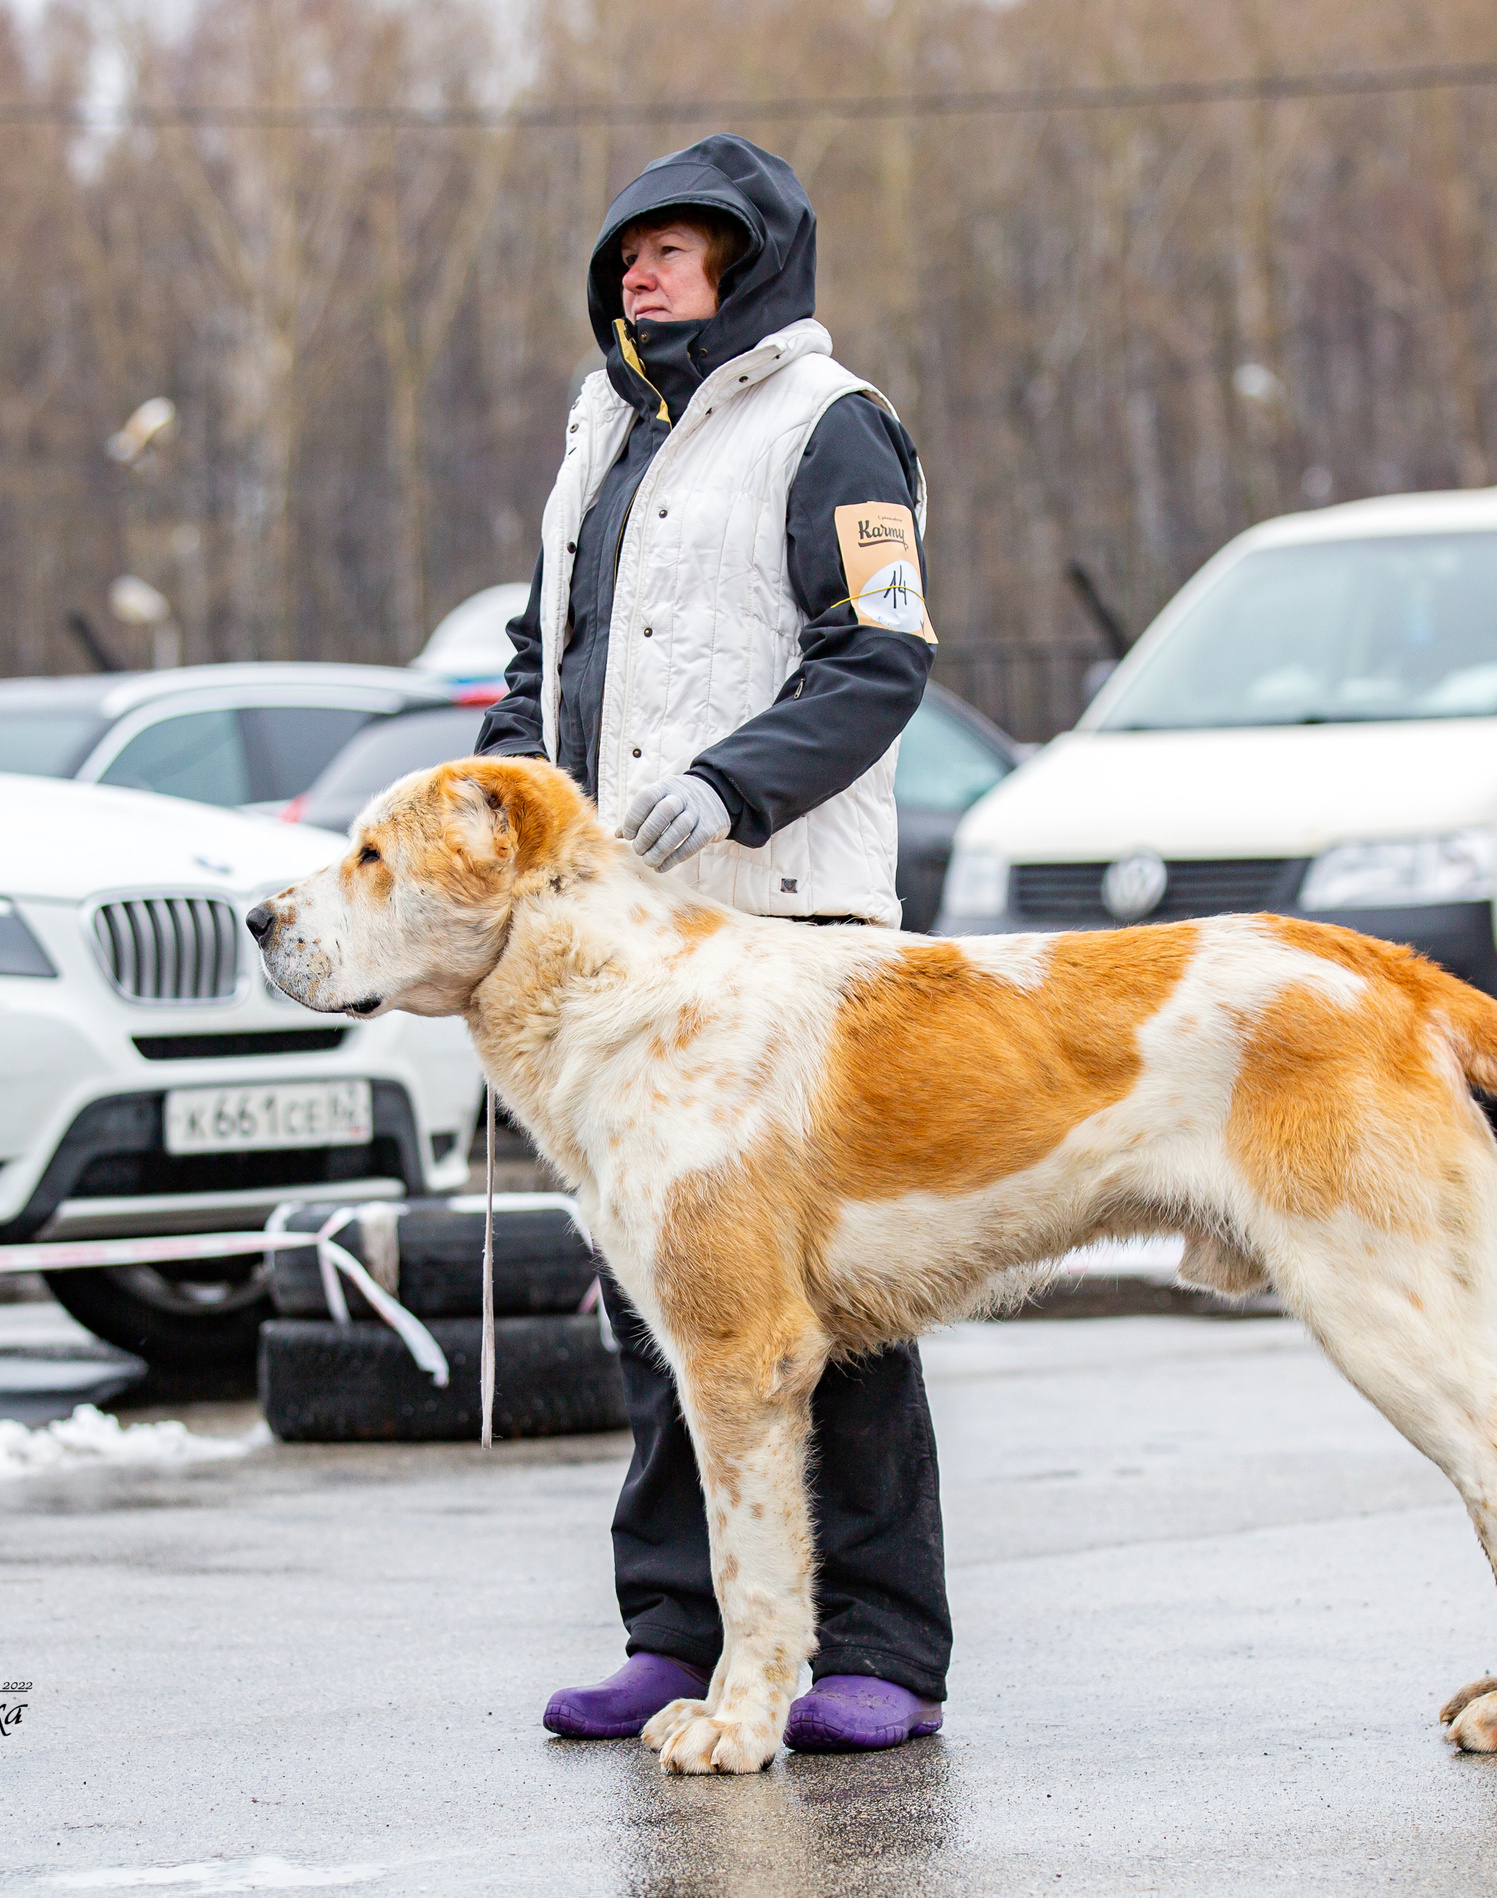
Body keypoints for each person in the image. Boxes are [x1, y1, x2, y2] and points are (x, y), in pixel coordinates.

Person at [473, 133, 950, 1754]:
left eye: (676, 248)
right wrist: (509, 775)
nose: (640, 271)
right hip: (623, 958)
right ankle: (675, 1632)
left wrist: (725, 788)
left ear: (753, 266)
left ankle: (882, 1650)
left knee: (842, 1307)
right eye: (626, 251)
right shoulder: (599, 429)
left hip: (790, 932)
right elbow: (545, 645)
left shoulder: (836, 426)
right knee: (658, 1302)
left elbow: (882, 659)